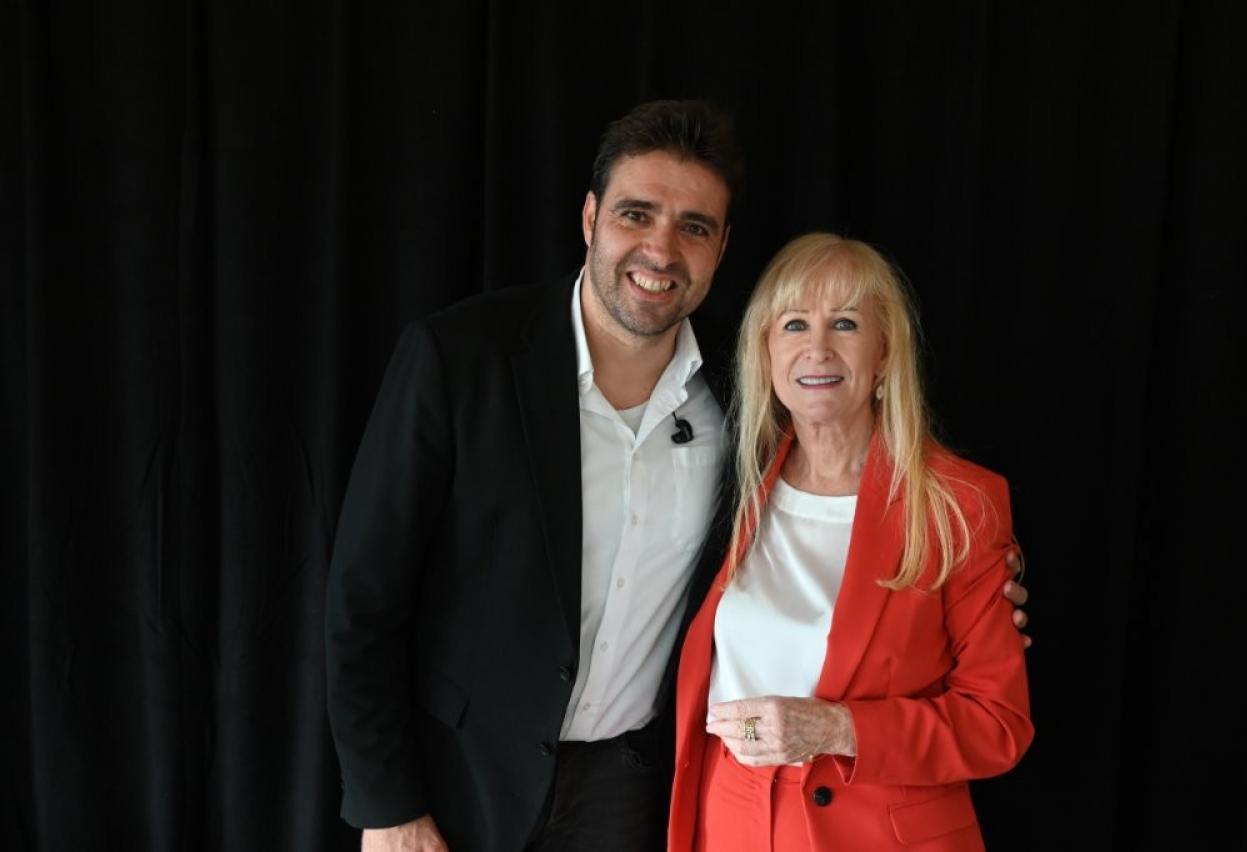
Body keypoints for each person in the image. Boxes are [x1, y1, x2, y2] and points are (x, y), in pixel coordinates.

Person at [326, 102, 1030, 852]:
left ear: (721, 248)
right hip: (459, 782)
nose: (660, 250)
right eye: (637, 214)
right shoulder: (460, 359)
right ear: (590, 218)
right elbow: (364, 598)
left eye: (693, 227)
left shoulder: (743, 398)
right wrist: (388, 807)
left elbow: (857, 521)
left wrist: (982, 577)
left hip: (635, 794)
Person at [668, 234, 1034, 851]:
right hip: (730, 822)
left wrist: (836, 728)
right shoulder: (728, 484)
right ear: (765, 352)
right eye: (794, 324)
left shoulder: (959, 505)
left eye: (845, 323)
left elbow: (997, 724)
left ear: (884, 353)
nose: (817, 348)